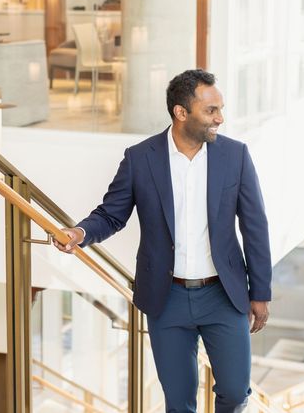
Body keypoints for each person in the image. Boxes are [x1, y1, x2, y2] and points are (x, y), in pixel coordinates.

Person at [53, 69, 272, 412]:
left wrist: (260, 292)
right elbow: (112, 214)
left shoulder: (235, 156)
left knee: (234, 391)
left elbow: (255, 226)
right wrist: (78, 233)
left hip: (223, 295)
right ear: (181, 113)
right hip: (166, 298)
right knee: (179, 400)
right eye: (211, 111)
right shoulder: (141, 158)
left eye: (220, 108)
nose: (220, 118)